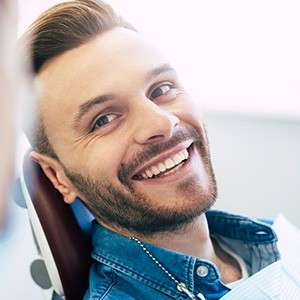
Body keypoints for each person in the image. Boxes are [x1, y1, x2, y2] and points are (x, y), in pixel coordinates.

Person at [21, 0, 280, 299]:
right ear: (58, 177)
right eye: (103, 119)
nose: (162, 122)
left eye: (160, 89)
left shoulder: (269, 239)